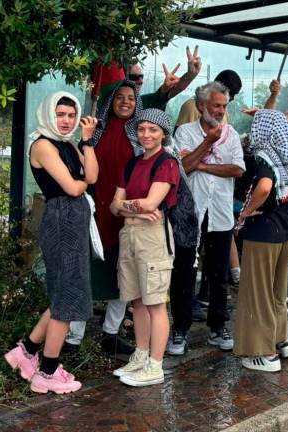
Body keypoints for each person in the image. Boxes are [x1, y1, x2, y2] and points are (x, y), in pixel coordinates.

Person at [5, 92, 98, 394]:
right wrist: (82, 183)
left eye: (71, 116)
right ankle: (46, 372)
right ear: (48, 113)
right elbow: (74, 187)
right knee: (66, 298)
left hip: (73, 220)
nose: (66, 121)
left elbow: (93, 175)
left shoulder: (68, 143)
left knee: (64, 294)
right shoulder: (43, 144)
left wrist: (86, 141)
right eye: (60, 114)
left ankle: (26, 351)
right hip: (61, 220)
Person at [66, 80, 142, 356]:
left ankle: (111, 333)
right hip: (93, 214)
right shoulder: (94, 131)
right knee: (84, 273)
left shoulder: (141, 134)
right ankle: (73, 338)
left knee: (123, 277)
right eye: (119, 97)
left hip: (126, 216)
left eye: (131, 98)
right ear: (110, 100)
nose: (125, 102)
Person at [174, 82, 245, 353]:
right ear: (201, 106)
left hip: (220, 213)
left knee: (218, 274)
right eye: (217, 105)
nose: (221, 111)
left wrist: (202, 164)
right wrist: (207, 143)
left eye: (225, 106)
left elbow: (237, 169)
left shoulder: (233, 134)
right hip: (191, 214)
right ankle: (179, 330)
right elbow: (183, 168)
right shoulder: (185, 132)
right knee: (184, 273)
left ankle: (218, 326)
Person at [110, 109, 179, 386]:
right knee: (137, 300)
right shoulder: (132, 163)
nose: (146, 135)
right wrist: (134, 211)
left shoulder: (167, 163)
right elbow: (114, 206)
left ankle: (155, 364)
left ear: (163, 133)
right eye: (142, 129)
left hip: (153, 237)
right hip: (130, 233)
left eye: (153, 130)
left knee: (155, 302)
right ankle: (140, 355)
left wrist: (129, 208)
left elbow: (152, 204)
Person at [233, 109, 288, 372]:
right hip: (283, 230)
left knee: (258, 293)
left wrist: (248, 210)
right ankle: (281, 340)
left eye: (257, 125)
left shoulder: (266, 157)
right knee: (277, 292)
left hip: (262, 233)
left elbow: (263, 186)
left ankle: (263, 353)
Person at [128, 46, 202, 110]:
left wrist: (190, 75)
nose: (141, 81)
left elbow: (167, 93)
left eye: (141, 77)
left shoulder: (142, 103)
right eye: (134, 77)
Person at [176, 69, 243, 127]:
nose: (232, 98)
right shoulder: (191, 106)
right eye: (231, 94)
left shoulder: (222, 110)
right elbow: (178, 139)